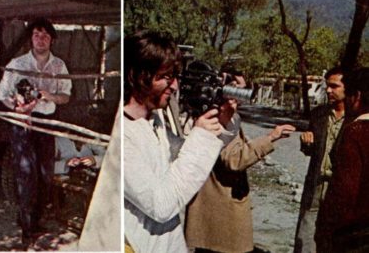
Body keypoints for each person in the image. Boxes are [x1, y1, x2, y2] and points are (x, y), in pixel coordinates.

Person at [123, 31, 225, 253]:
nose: (175, 86)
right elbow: (161, 205)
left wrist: (218, 122)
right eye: (166, 77)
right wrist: (201, 139)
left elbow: (178, 157)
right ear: (138, 76)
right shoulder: (123, 136)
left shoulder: (153, 118)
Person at [185, 72, 296, 253]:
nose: (240, 94)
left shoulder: (230, 117)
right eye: (235, 88)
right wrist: (270, 137)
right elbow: (234, 160)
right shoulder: (217, 118)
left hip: (219, 208)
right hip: (220, 209)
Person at [0, 18, 72, 245]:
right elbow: (3, 94)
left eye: (45, 36)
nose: (41, 39)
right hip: (23, 122)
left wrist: (49, 96)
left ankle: (36, 220)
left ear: (52, 40)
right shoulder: (17, 63)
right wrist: (18, 108)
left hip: (47, 121)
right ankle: (26, 227)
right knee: (26, 172)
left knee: (45, 173)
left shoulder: (59, 66)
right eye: (37, 35)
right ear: (31, 38)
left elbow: (66, 97)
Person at [315, 67, 369, 252]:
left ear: (358, 96)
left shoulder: (356, 133)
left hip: (354, 236)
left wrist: (325, 231)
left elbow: (344, 193)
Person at [294, 66, 345, 253]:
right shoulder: (319, 114)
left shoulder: (357, 119)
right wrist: (306, 143)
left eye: (334, 86)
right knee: (305, 237)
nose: (329, 90)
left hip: (338, 188)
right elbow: (311, 151)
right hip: (315, 184)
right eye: (327, 86)